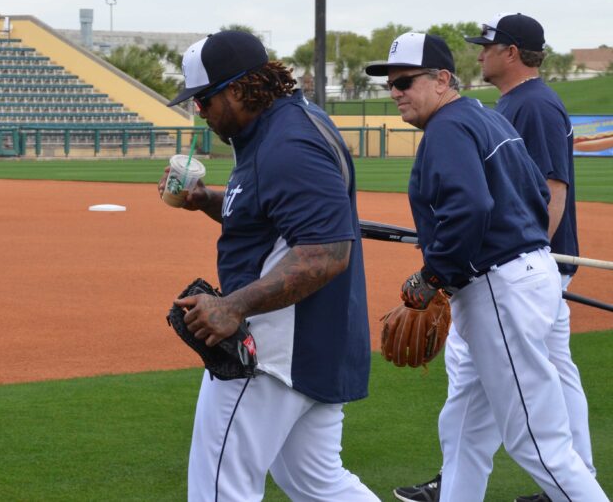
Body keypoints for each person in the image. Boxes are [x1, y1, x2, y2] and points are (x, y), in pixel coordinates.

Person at [365, 33, 605, 502]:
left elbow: (469, 207)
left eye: (406, 81)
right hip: (518, 276)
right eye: (390, 85)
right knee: (465, 431)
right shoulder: (482, 117)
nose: (396, 92)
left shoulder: (449, 127)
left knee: (539, 444)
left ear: (442, 80)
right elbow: (537, 194)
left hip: (499, 287)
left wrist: (433, 276)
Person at [159, 30, 376, 501]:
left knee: (220, 488)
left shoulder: (288, 144)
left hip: (270, 353)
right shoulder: (280, 127)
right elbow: (272, 216)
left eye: (204, 100)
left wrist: (232, 306)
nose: (201, 112)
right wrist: (205, 200)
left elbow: (326, 253)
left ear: (238, 88)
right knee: (317, 483)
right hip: (313, 346)